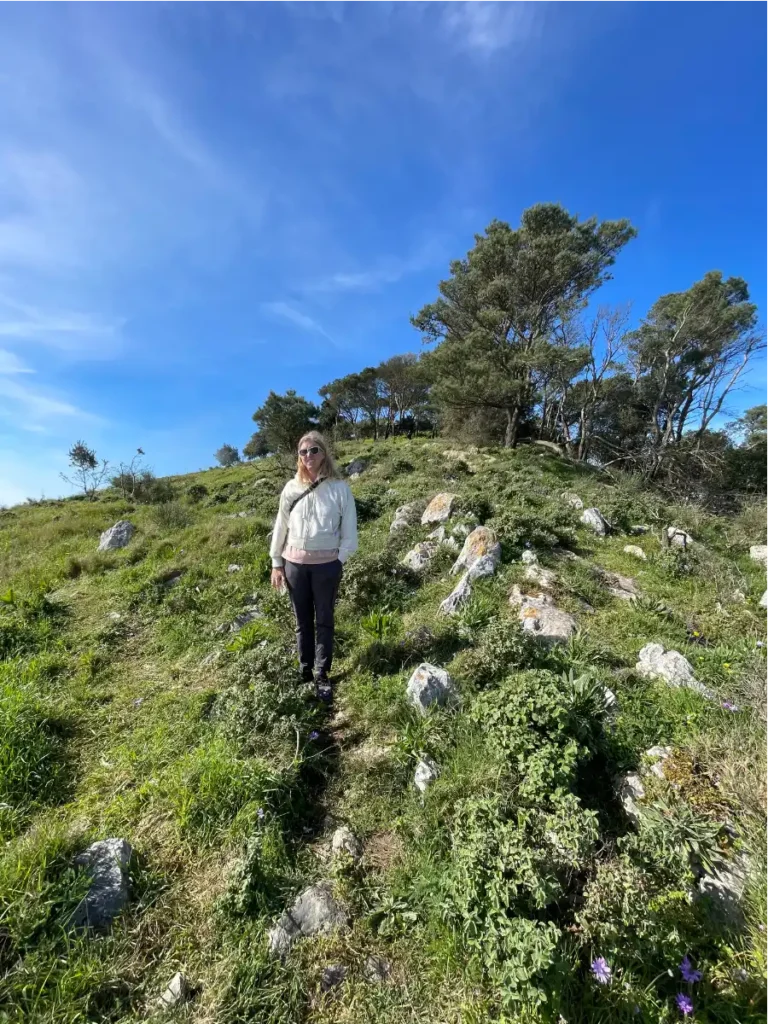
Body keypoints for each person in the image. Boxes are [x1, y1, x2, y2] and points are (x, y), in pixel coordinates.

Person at [269, 432, 358, 702]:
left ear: (324, 453)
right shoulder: (291, 488)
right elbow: (280, 527)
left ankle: (322, 673)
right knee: (302, 622)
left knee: (325, 621)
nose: (308, 456)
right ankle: (305, 670)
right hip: (294, 565)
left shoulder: (340, 488)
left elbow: (350, 532)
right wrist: (277, 562)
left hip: (326, 567)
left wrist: (338, 561)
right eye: (303, 452)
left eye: (314, 450)